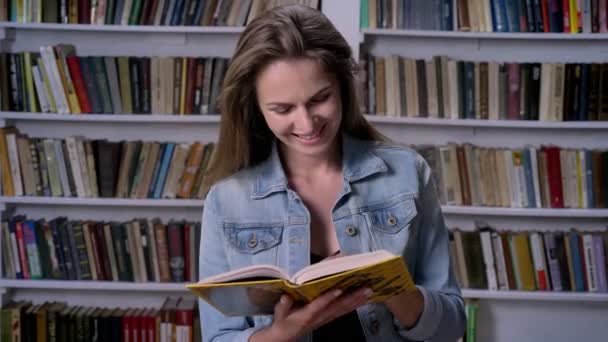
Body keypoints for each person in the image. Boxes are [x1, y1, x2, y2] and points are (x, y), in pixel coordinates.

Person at [198, 4, 466, 342]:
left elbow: (453, 324)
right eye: (283, 109)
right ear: (255, 107)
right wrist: (281, 334)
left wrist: (393, 290)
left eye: (320, 98)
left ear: (342, 86)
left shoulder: (407, 173)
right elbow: (217, 337)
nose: (307, 124)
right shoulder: (226, 201)